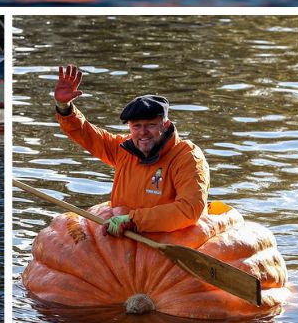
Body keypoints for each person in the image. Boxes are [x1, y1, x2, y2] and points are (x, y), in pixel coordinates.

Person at [53, 64, 208, 237]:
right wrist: (64, 107)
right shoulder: (124, 148)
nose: (143, 133)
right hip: (122, 237)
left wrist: (133, 220)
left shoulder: (188, 157)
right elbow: (87, 135)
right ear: (130, 127)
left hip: (166, 239)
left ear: (165, 125)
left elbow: (189, 209)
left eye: (150, 125)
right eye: (136, 126)